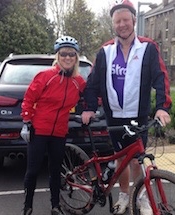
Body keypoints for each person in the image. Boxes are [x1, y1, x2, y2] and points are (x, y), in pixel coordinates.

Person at [81, 0, 172, 214]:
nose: (122, 24)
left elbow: (161, 78)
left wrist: (162, 107)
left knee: (138, 160)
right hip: (115, 116)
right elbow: (93, 82)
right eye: (117, 21)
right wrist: (90, 108)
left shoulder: (148, 47)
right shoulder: (106, 51)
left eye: (125, 20)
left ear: (133, 20)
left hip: (137, 114)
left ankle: (141, 198)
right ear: (113, 24)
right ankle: (123, 196)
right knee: (120, 158)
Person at [20, 36, 86, 215]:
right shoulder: (46, 76)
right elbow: (29, 98)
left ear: (76, 57)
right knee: (33, 170)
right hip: (39, 130)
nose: (67, 57)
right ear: (57, 56)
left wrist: (90, 110)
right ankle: (27, 206)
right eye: (63, 53)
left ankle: (55, 206)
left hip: (59, 131)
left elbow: (90, 97)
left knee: (55, 170)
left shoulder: (78, 81)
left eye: (71, 54)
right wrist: (26, 122)